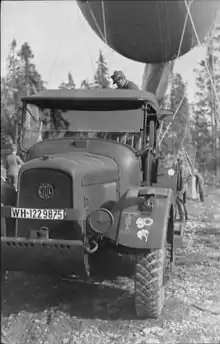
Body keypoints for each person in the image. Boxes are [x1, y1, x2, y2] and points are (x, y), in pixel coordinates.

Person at [175, 154, 191, 221]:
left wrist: (178, 187)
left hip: (181, 186)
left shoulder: (180, 168)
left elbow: (180, 178)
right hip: (185, 186)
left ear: (180, 161)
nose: (177, 161)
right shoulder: (187, 167)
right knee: (183, 202)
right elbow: (190, 175)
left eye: (178, 160)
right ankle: (186, 216)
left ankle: (182, 217)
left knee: (179, 201)